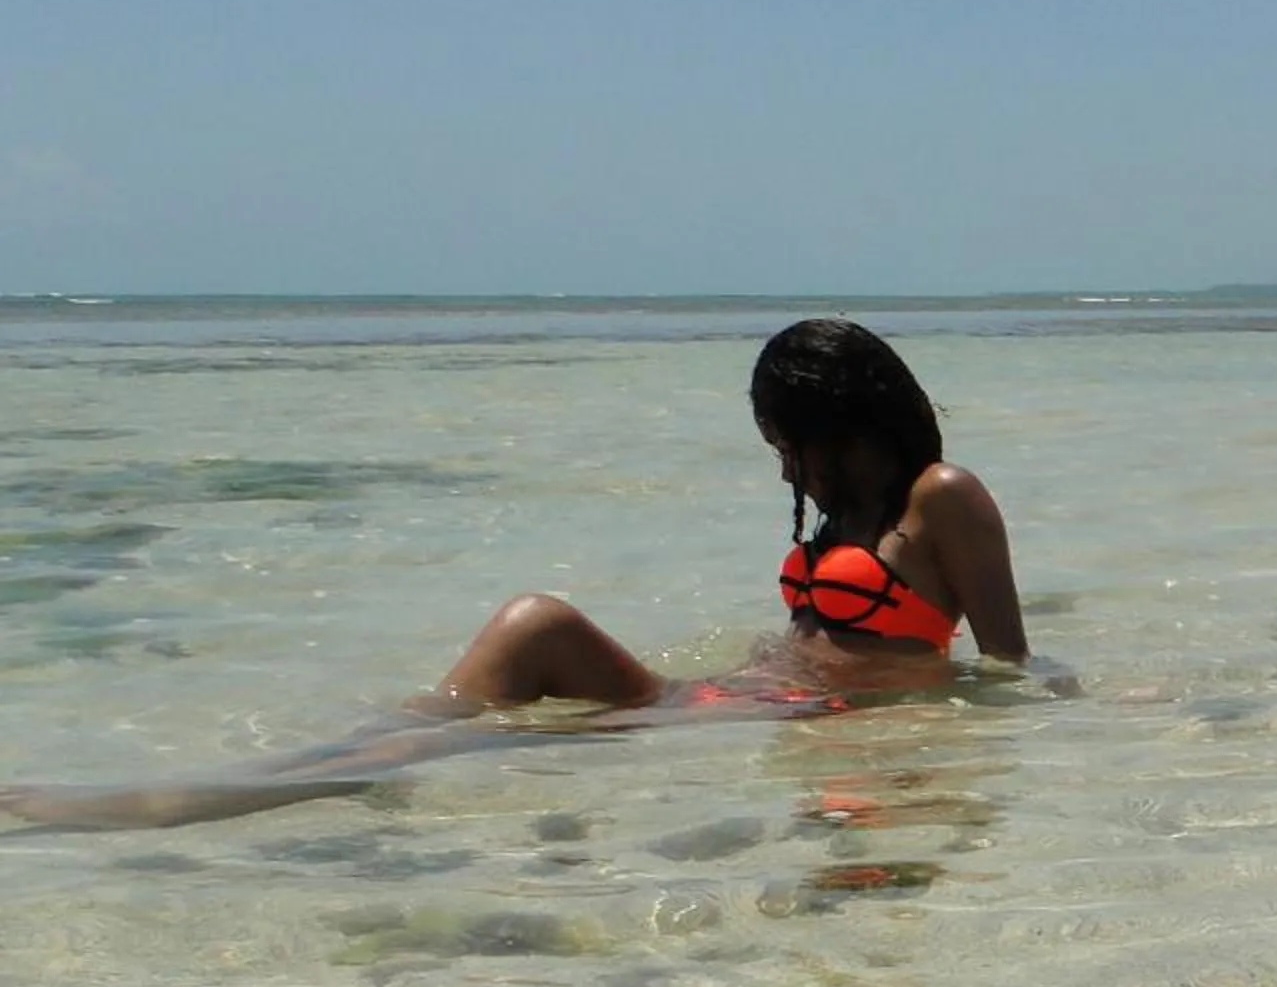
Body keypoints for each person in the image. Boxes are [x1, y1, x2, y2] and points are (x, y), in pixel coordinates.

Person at [3, 318, 1029, 830]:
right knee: (524, 630)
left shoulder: (943, 496)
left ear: (834, 424)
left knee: (430, 743)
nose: (780, 463)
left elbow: (1007, 665)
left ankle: (150, 804)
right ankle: (294, 762)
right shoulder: (846, 511)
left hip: (788, 719)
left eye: (783, 441)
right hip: (750, 692)